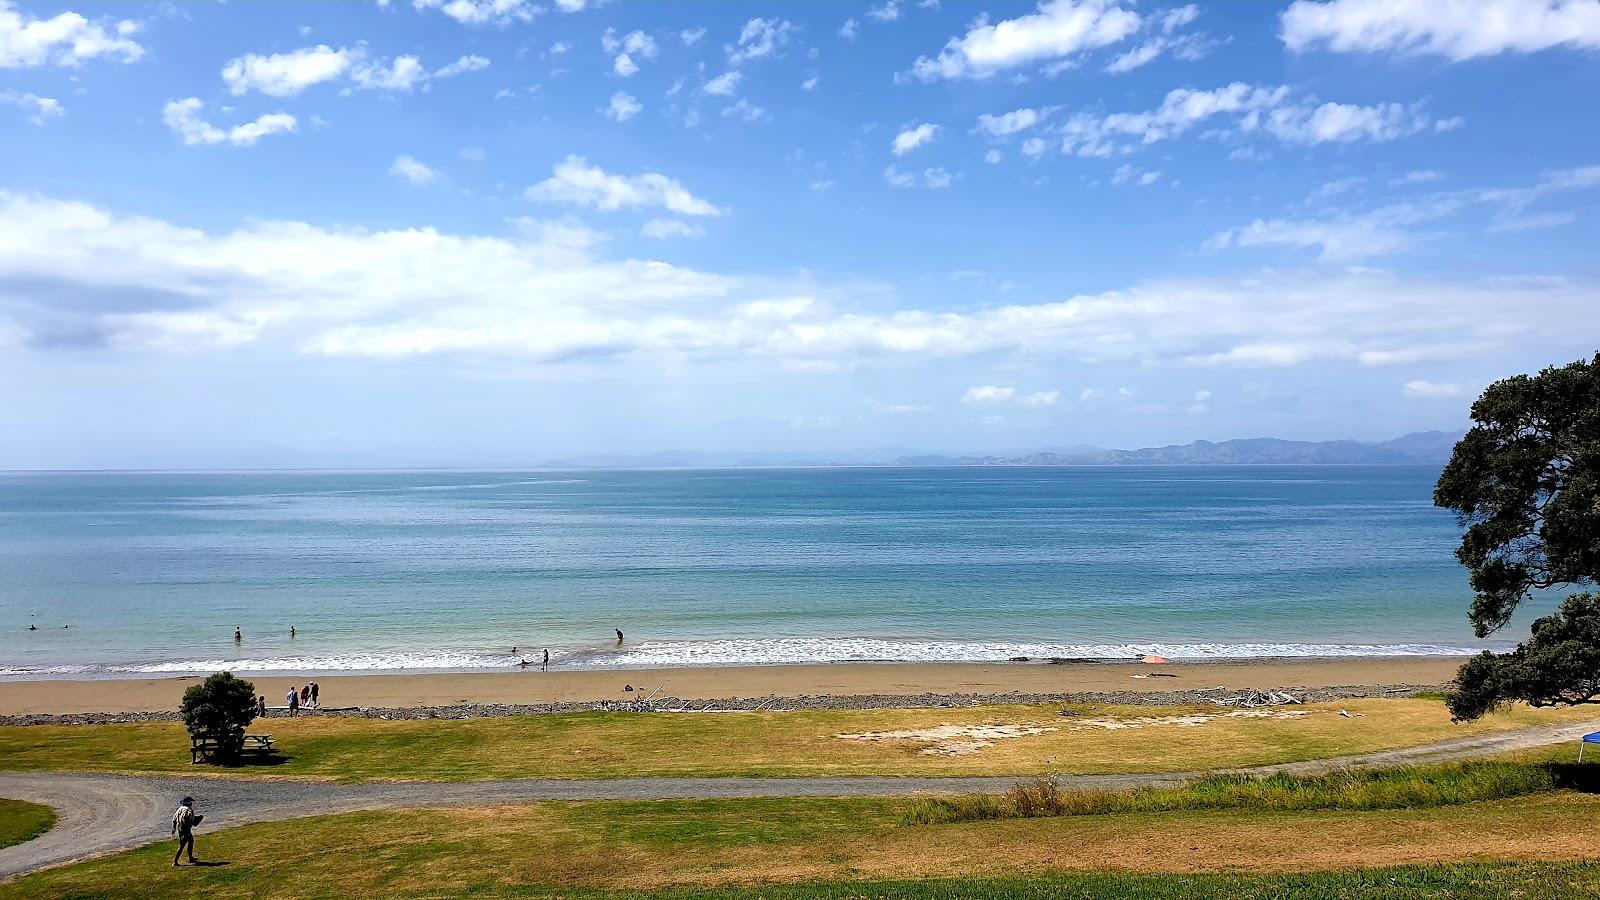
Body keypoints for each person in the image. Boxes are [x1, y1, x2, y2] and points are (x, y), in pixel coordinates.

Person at [171, 796, 201, 866]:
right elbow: (185, 819)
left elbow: (174, 819)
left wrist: (174, 828)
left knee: (190, 841)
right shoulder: (188, 810)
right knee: (182, 845)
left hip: (180, 828)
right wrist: (193, 821)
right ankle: (175, 862)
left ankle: (190, 858)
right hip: (185, 829)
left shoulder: (180, 809)